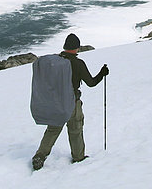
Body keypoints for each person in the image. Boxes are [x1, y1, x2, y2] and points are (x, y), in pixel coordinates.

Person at [32, 33, 109, 171]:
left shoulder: (55, 61)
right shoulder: (78, 63)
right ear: (76, 48)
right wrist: (102, 73)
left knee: (53, 129)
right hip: (72, 102)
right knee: (75, 128)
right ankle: (78, 157)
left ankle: (40, 155)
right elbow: (91, 83)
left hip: (56, 102)